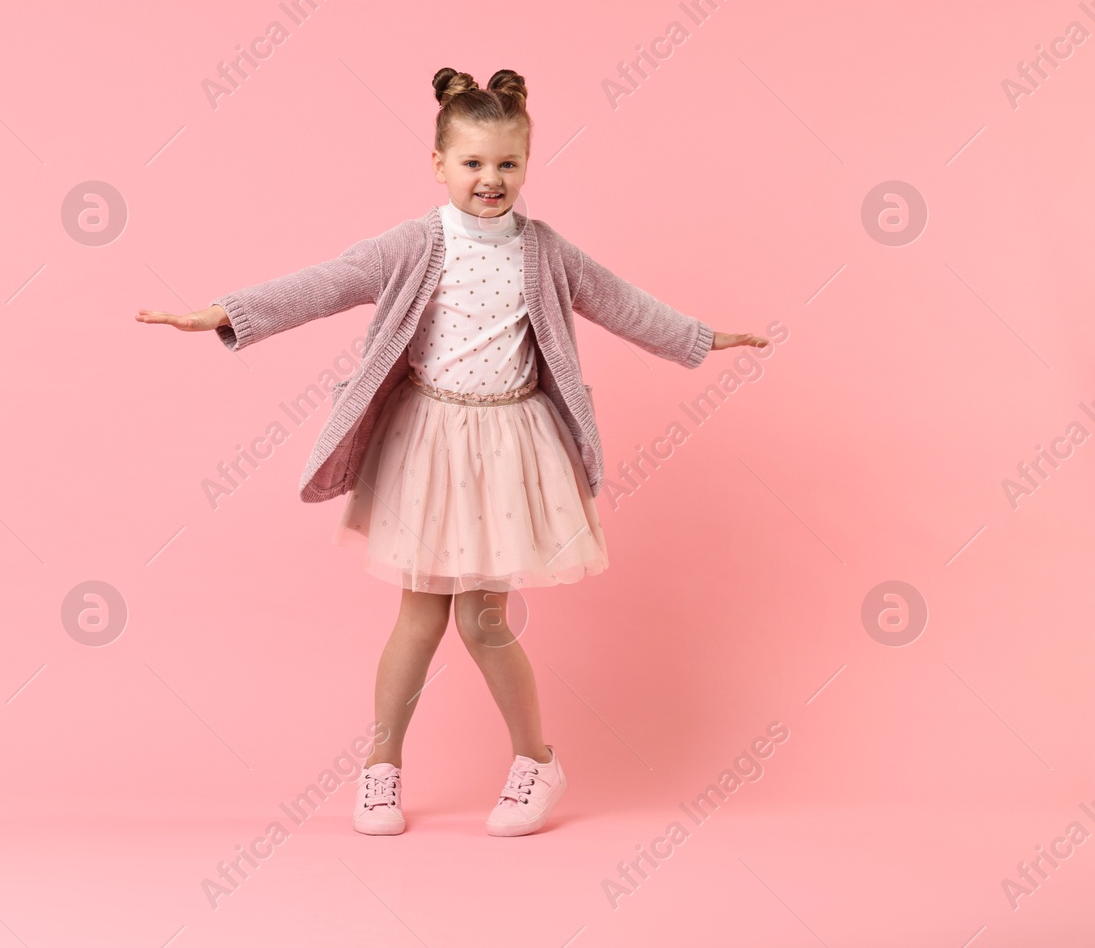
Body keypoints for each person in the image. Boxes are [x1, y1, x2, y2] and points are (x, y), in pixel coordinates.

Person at [136, 67, 769, 837]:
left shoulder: (545, 251)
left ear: (527, 162)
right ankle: (379, 768)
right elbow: (329, 282)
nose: (490, 179)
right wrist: (227, 312)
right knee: (418, 618)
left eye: (506, 163)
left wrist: (702, 336)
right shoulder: (416, 243)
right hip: (430, 445)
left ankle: (536, 761)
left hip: (509, 446)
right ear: (439, 163)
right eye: (472, 163)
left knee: (484, 620)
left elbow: (619, 301)